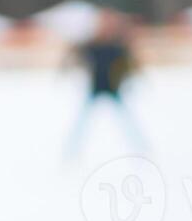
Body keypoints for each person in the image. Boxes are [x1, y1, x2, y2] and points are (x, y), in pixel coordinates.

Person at [63, 8, 148, 158]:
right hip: (95, 89)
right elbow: (73, 54)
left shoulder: (118, 47)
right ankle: (71, 152)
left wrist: (134, 77)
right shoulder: (91, 45)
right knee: (81, 124)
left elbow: (132, 64)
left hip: (113, 88)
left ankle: (141, 148)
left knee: (128, 122)